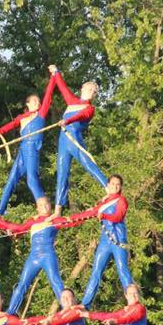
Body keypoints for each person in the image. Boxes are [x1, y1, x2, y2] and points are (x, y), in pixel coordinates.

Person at [5, 196, 91, 314]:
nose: (44, 207)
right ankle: (10, 312)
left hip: (48, 255)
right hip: (33, 257)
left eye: (46, 204)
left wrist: (90, 213)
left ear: (51, 206)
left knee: (56, 281)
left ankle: (66, 309)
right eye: (41, 205)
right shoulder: (32, 221)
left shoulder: (54, 220)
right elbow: (20, 230)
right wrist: (10, 231)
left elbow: (72, 221)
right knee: (22, 284)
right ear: (37, 208)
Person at [47, 65, 107, 217]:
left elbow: (80, 116)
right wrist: (56, 72)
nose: (92, 93)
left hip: (74, 139)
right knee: (62, 173)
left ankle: (108, 188)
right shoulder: (72, 101)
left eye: (95, 92)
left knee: (88, 164)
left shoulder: (89, 108)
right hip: (63, 141)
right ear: (82, 89)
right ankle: (57, 210)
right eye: (90, 89)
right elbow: (62, 87)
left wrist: (67, 121)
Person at [0, 75, 58, 215]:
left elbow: (48, 95)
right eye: (35, 101)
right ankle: (0, 212)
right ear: (28, 104)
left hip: (32, 148)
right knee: (11, 181)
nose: (38, 103)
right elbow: (11, 125)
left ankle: (44, 210)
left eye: (39, 101)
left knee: (31, 180)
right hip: (23, 149)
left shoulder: (41, 114)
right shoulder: (21, 117)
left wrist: (54, 77)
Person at [79, 175, 133, 309]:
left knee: (122, 270)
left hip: (118, 240)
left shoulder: (121, 200)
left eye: (118, 184)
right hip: (104, 242)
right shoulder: (103, 203)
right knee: (96, 271)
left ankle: (132, 301)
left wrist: (104, 215)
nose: (115, 186)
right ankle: (85, 304)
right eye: (113, 184)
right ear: (108, 185)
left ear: (120, 187)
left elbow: (118, 216)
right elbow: (91, 213)